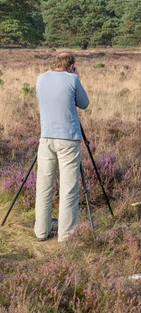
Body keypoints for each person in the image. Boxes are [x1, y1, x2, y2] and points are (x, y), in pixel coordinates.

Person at [35, 53, 89, 242]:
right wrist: (77, 77)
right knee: (68, 188)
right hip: (68, 139)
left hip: (46, 137)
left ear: (56, 63)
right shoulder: (72, 79)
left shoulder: (41, 78)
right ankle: (65, 235)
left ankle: (41, 231)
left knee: (44, 185)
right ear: (71, 66)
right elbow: (84, 104)